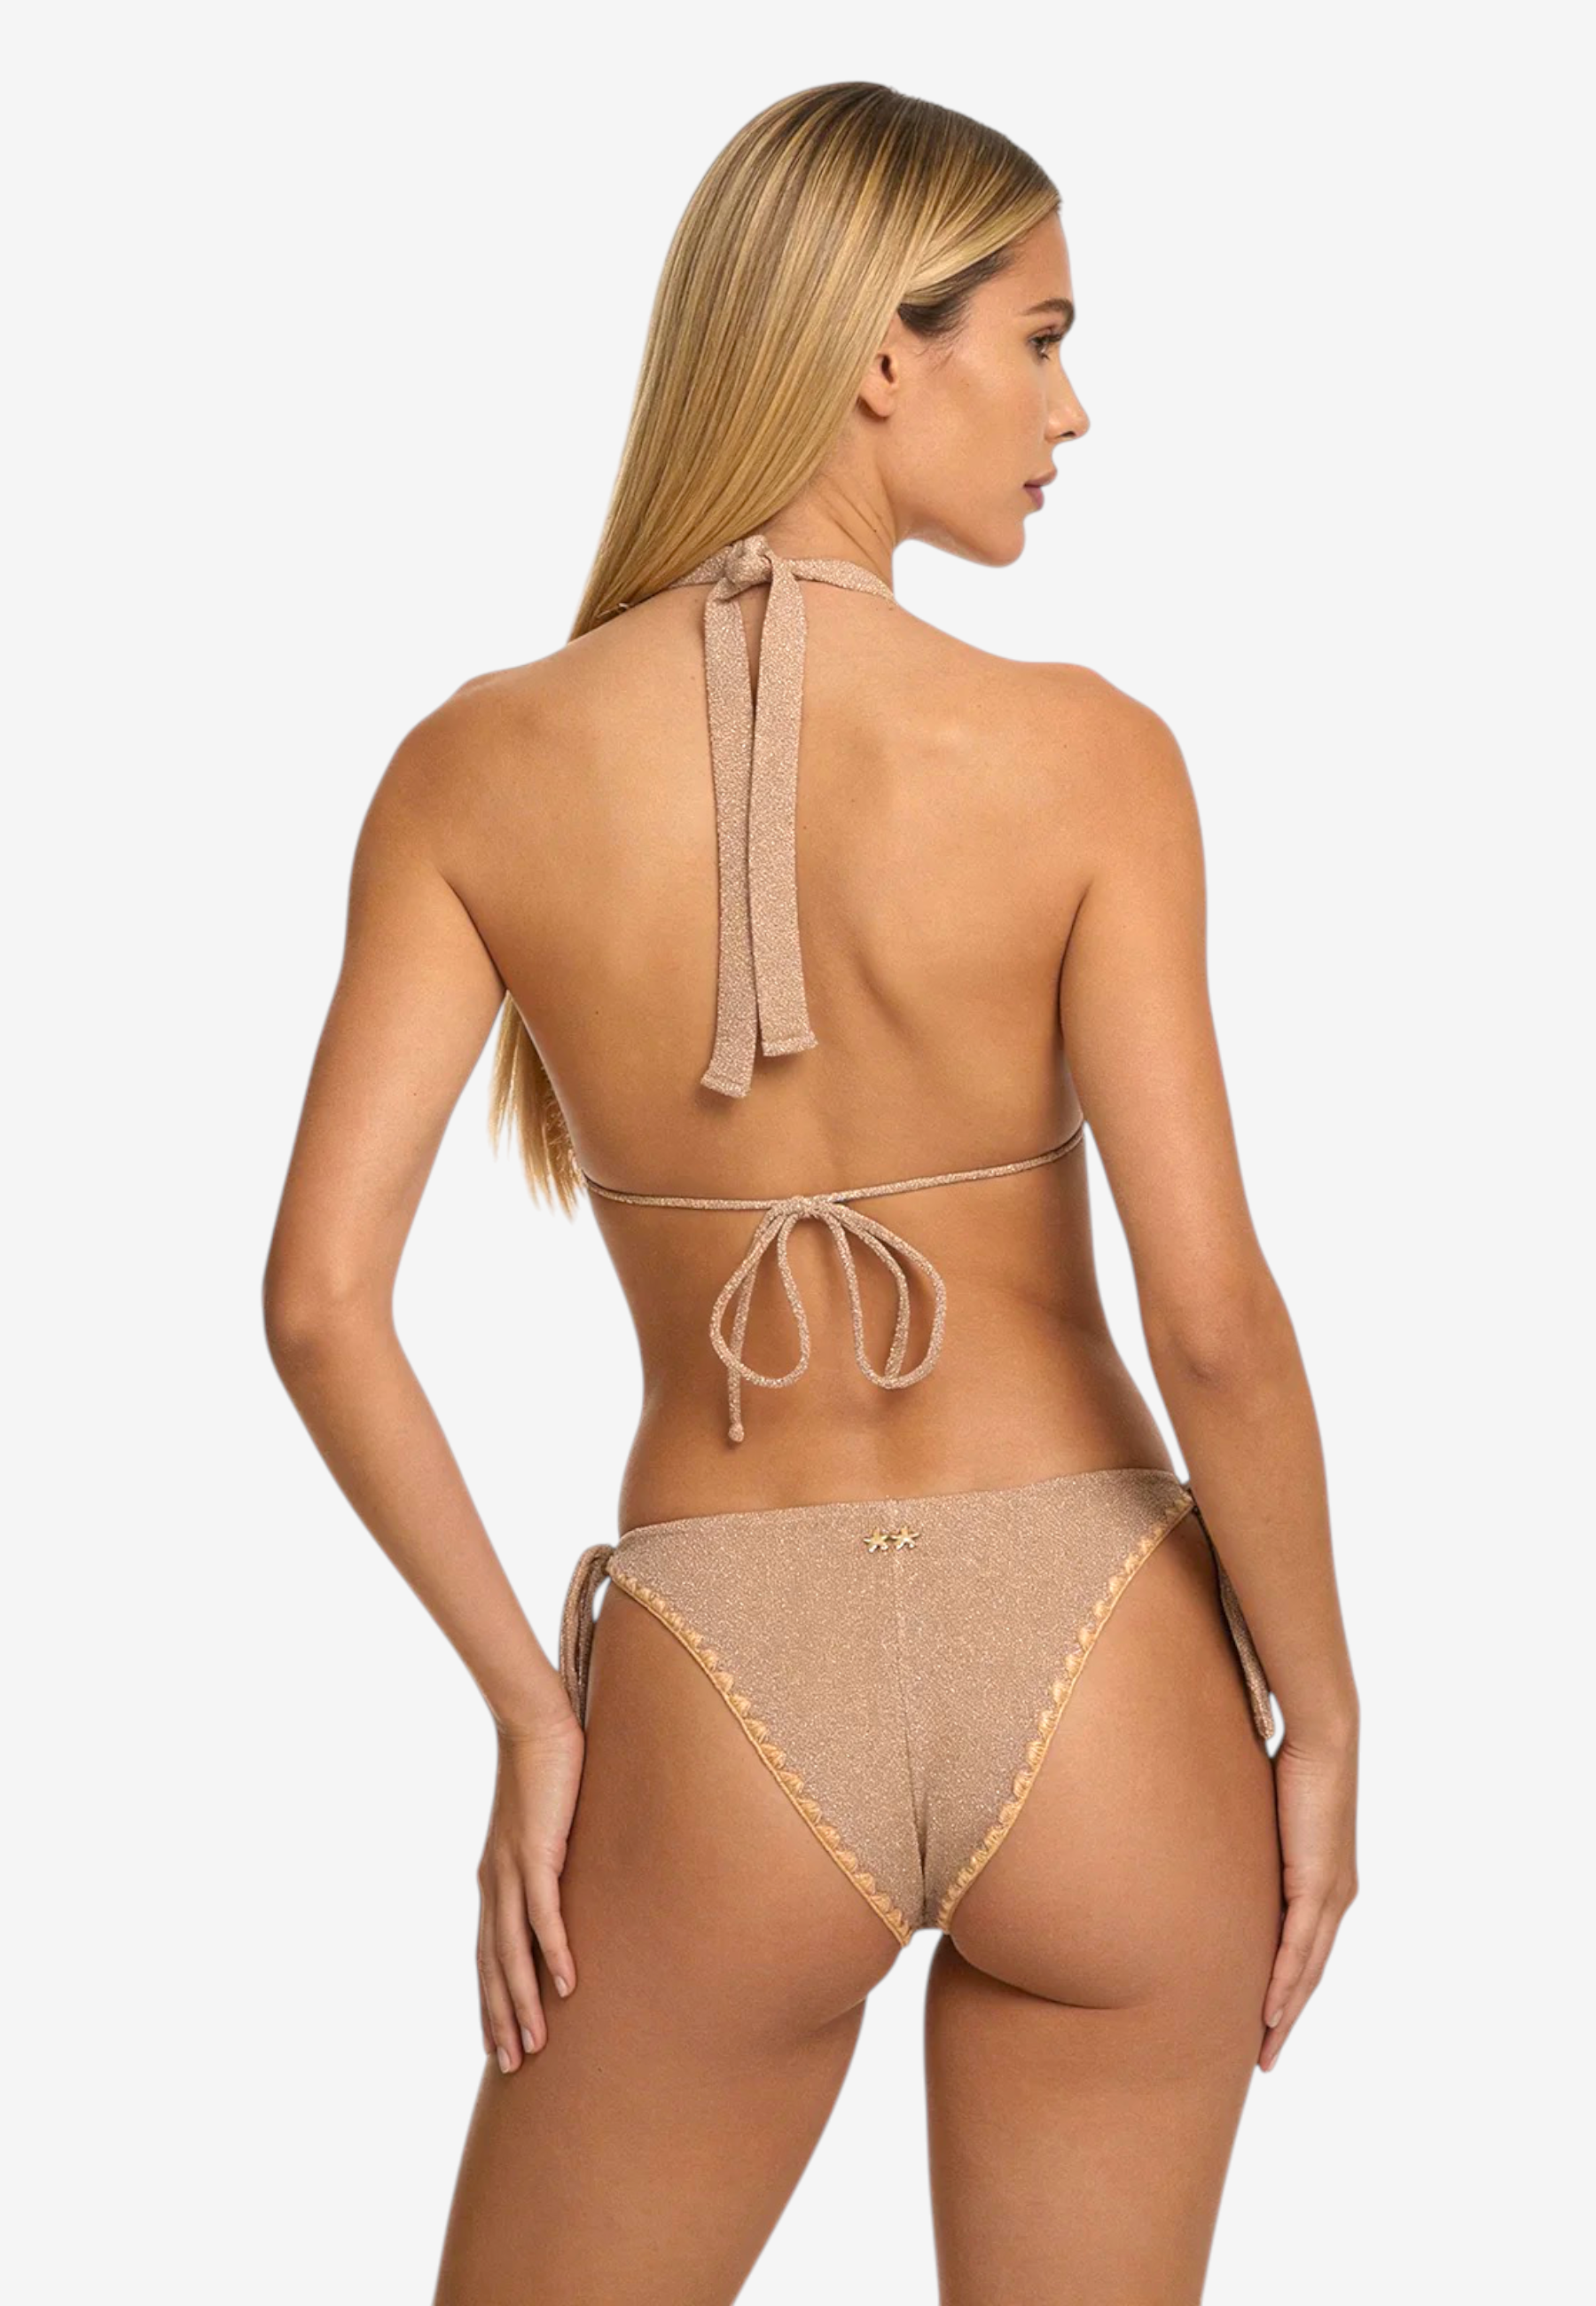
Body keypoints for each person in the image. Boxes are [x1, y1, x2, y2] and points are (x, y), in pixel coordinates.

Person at [264, 80, 1359, 2306]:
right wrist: (1322, 1716)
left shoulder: (476, 768)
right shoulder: (1089, 756)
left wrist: (532, 1705)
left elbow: (319, 1304)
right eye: (1039, 340)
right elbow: (1215, 1315)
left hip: (723, 1678)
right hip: (1109, 1655)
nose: (1073, 409)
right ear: (883, 356)